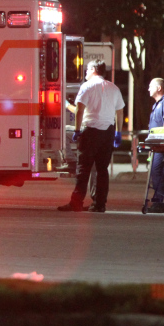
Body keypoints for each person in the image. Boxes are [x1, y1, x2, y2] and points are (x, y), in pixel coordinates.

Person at [58, 60, 124, 213]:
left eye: (87, 69)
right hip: (107, 133)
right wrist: (118, 132)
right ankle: (99, 204)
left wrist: (77, 130)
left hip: (90, 132)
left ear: (94, 69)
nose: (85, 72)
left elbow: (80, 110)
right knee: (102, 170)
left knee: (83, 169)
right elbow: (119, 112)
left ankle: (76, 203)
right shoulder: (114, 88)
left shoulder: (87, 87)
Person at [146, 77, 164, 213]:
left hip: (161, 145)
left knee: (158, 171)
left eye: (151, 86)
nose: (148, 89)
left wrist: (163, 141)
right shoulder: (156, 105)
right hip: (156, 145)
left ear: (159, 88)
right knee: (158, 172)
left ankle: (160, 202)